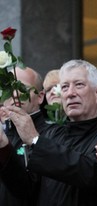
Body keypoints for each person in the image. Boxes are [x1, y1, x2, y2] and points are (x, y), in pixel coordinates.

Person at [0, 60, 97, 205]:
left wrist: (35, 140)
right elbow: (25, 189)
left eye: (79, 85)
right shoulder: (52, 134)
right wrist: (4, 146)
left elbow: (88, 174)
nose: (70, 93)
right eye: (65, 87)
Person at [0, 66, 53, 206]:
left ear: (40, 97)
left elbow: (29, 188)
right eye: (8, 89)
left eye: (22, 88)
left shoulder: (53, 135)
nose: (15, 94)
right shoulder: (5, 132)